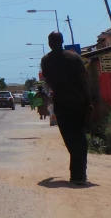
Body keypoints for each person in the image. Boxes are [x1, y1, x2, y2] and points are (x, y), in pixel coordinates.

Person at [40, 31, 92, 186]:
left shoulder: (46, 60)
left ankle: (77, 173)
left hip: (61, 103)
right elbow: (84, 81)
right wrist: (89, 102)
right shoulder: (74, 58)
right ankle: (79, 174)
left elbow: (48, 81)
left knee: (69, 137)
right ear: (62, 41)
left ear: (49, 43)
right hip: (78, 102)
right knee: (80, 137)